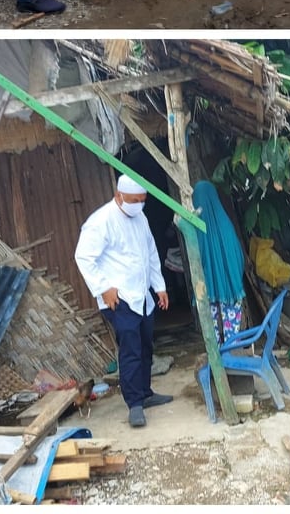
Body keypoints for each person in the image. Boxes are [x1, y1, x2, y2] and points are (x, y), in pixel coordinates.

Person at [74, 175, 171, 428]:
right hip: (120, 298)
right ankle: (134, 404)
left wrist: (159, 287)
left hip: (142, 296)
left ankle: (146, 393)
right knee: (130, 350)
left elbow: (150, 252)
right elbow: (83, 257)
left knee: (146, 345)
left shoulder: (141, 218)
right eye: (134, 201)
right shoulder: (101, 221)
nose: (139, 205)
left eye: (142, 201)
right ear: (119, 196)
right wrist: (103, 288)